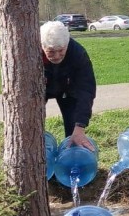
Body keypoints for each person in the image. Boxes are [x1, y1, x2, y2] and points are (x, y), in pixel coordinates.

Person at [41, 20, 97, 151]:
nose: (56, 56)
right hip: (41, 87)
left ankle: (71, 156)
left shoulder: (78, 53)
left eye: (61, 50)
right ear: (42, 45)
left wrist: (80, 126)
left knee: (74, 128)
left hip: (68, 89)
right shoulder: (30, 53)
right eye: (51, 51)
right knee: (33, 125)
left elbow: (86, 90)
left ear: (67, 43)